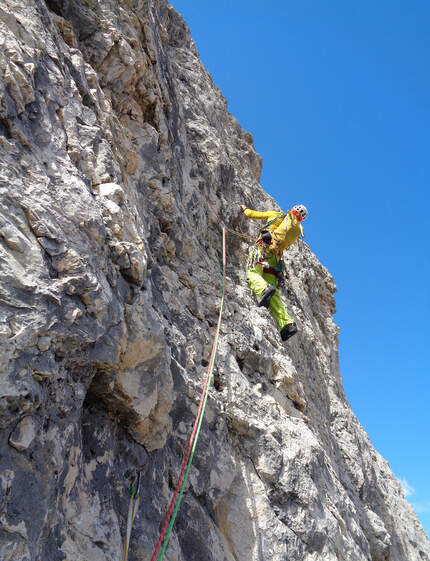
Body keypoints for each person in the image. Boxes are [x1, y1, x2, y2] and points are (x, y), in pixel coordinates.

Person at [240, 204, 308, 341]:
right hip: (275, 260)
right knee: (273, 295)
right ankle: (287, 324)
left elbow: (252, 214)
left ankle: (264, 289)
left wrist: (244, 208)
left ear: (292, 210)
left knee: (253, 272)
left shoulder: (277, 215)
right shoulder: (297, 230)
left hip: (262, 249)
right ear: (301, 219)